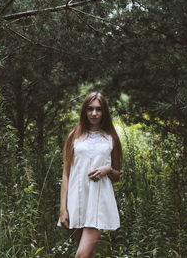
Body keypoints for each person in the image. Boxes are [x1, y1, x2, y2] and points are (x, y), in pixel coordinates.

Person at [57, 92, 122, 258]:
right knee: (88, 254)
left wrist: (107, 169)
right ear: (84, 111)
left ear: (104, 112)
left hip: (99, 201)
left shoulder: (111, 137)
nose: (94, 113)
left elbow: (117, 175)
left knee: (81, 255)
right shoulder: (74, 136)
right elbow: (66, 174)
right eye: (90, 109)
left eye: (98, 109)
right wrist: (63, 208)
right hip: (77, 201)